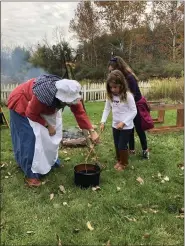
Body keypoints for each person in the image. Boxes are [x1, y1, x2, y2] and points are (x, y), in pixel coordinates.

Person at [7, 74, 99, 187]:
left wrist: (91, 131)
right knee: (30, 138)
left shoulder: (69, 92)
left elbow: (79, 113)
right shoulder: (43, 95)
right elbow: (31, 113)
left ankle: (50, 162)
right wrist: (47, 125)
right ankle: (31, 174)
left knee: (53, 135)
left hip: (40, 108)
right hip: (22, 101)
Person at [108, 56, 151, 159]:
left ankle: (145, 150)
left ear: (119, 68)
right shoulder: (119, 80)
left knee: (139, 129)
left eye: (113, 69)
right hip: (126, 106)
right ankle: (131, 150)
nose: (112, 72)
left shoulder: (129, 77)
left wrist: (125, 104)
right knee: (129, 128)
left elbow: (134, 95)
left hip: (136, 105)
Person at [100, 70, 137, 171]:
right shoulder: (110, 96)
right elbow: (107, 109)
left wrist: (124, 122)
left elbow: (134, 111)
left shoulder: (128, 96)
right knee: (117, 144)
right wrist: (103, 121)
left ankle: (124, 163)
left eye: (115, 87)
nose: (113, 89)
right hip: (115, 125)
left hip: (126, 126)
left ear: (121, 84)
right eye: (110, 87)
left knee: (122, 145)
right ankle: (119, 160)